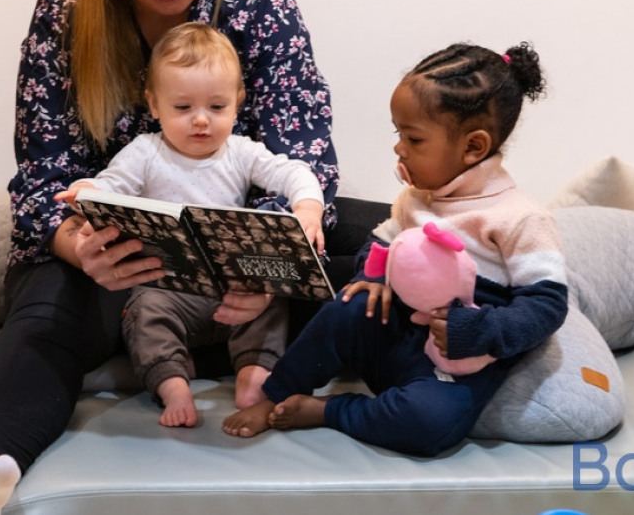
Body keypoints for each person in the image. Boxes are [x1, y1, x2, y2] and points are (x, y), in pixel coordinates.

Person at [0, 0, 339, 515]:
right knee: (45, 311)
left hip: (245, 264)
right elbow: (40, 180)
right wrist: (79, 248)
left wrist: (262, 266)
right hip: (114, 267)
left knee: (381, 247)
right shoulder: (65, 13)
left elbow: (305, 151)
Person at [222, 42, 568, 457]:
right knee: (344, 308)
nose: (399, 148)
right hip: (393, 333)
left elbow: (547, 305)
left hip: (450, 363)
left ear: (473, 148)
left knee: (430, 424)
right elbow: (381, 241)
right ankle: (275, 394)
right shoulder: (419, 197)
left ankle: (331, 410)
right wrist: (371, 277)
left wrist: (481, 331)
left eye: (414, 138)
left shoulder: (520, 217)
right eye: (398, 133)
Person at [56, 22, 326, 428]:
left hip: (232, 289)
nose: (201, 121)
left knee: (273, 296)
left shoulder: (240, 152)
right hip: (169, 288)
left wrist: (308, 209)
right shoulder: (145, 152)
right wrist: (88, 192)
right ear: (154, 105)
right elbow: (111, 186)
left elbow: (294, 172)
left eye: (217, 108)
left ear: (237, 103)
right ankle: (172, 384)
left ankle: (254, 373)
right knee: (143, 308)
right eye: (183, 108)